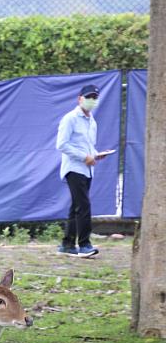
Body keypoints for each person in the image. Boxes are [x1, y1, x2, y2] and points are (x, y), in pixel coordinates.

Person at [55, 84, 106, 257]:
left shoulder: (92, 121)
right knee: (84, 205)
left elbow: (88, 146)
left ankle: (67, 244)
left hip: (87, 169)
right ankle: (84, 245)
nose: (92, 101)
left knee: (77, 206)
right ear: (80, 99)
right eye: (89, 97)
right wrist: (84, 157)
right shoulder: (70, 118)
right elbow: (62, 144)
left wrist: (96, 155)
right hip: (74, 168)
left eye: (95, 98)